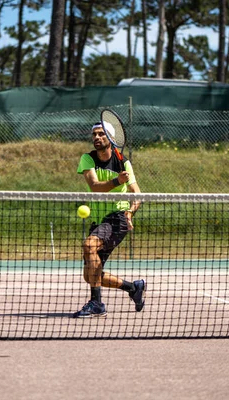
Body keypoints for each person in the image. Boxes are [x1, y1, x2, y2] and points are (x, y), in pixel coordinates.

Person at [72, 121, 145, 318]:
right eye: (94, 134)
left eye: (101, 134)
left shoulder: (124, 162)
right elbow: (95, 185)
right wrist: (116, 181)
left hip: (117, 217)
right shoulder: (87, 159)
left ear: (110, 138)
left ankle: (96, 304)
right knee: (90, 276)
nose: (96, 137)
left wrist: (130, 212)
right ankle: (133, 288)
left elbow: (137, 194)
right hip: (98, 220)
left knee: (89, 246)